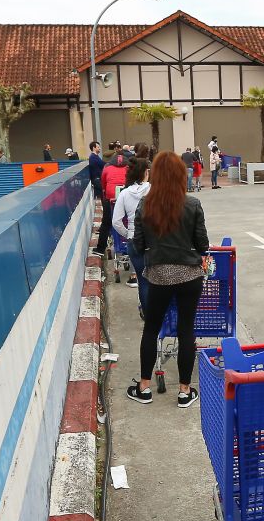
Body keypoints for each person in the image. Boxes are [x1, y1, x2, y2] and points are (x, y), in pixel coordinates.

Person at [129, 151, 209, 409]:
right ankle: (185, 391)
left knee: (151, 328)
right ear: (180, 176)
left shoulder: (145, 205)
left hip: (159, 276)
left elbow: (138, 245)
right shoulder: (193, 204)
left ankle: (144, 388)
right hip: (190, 275)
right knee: (186, 330)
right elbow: (203, 244)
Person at [112, 156, 151, 309]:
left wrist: (128, 232)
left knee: (143, 280)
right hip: (153, 240)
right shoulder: (154, 190)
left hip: (134, 239)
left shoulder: (124, 193)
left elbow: (116, 221)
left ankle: (147, 313)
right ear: (145, 172)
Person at [88, 141, 110, 255]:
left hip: (98, 181)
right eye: (98, 146)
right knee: (105, 205)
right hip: (97, 181)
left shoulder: (95, 157)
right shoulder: (94, 158)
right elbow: (103, 165)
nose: (99, 148)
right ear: (93, 148)